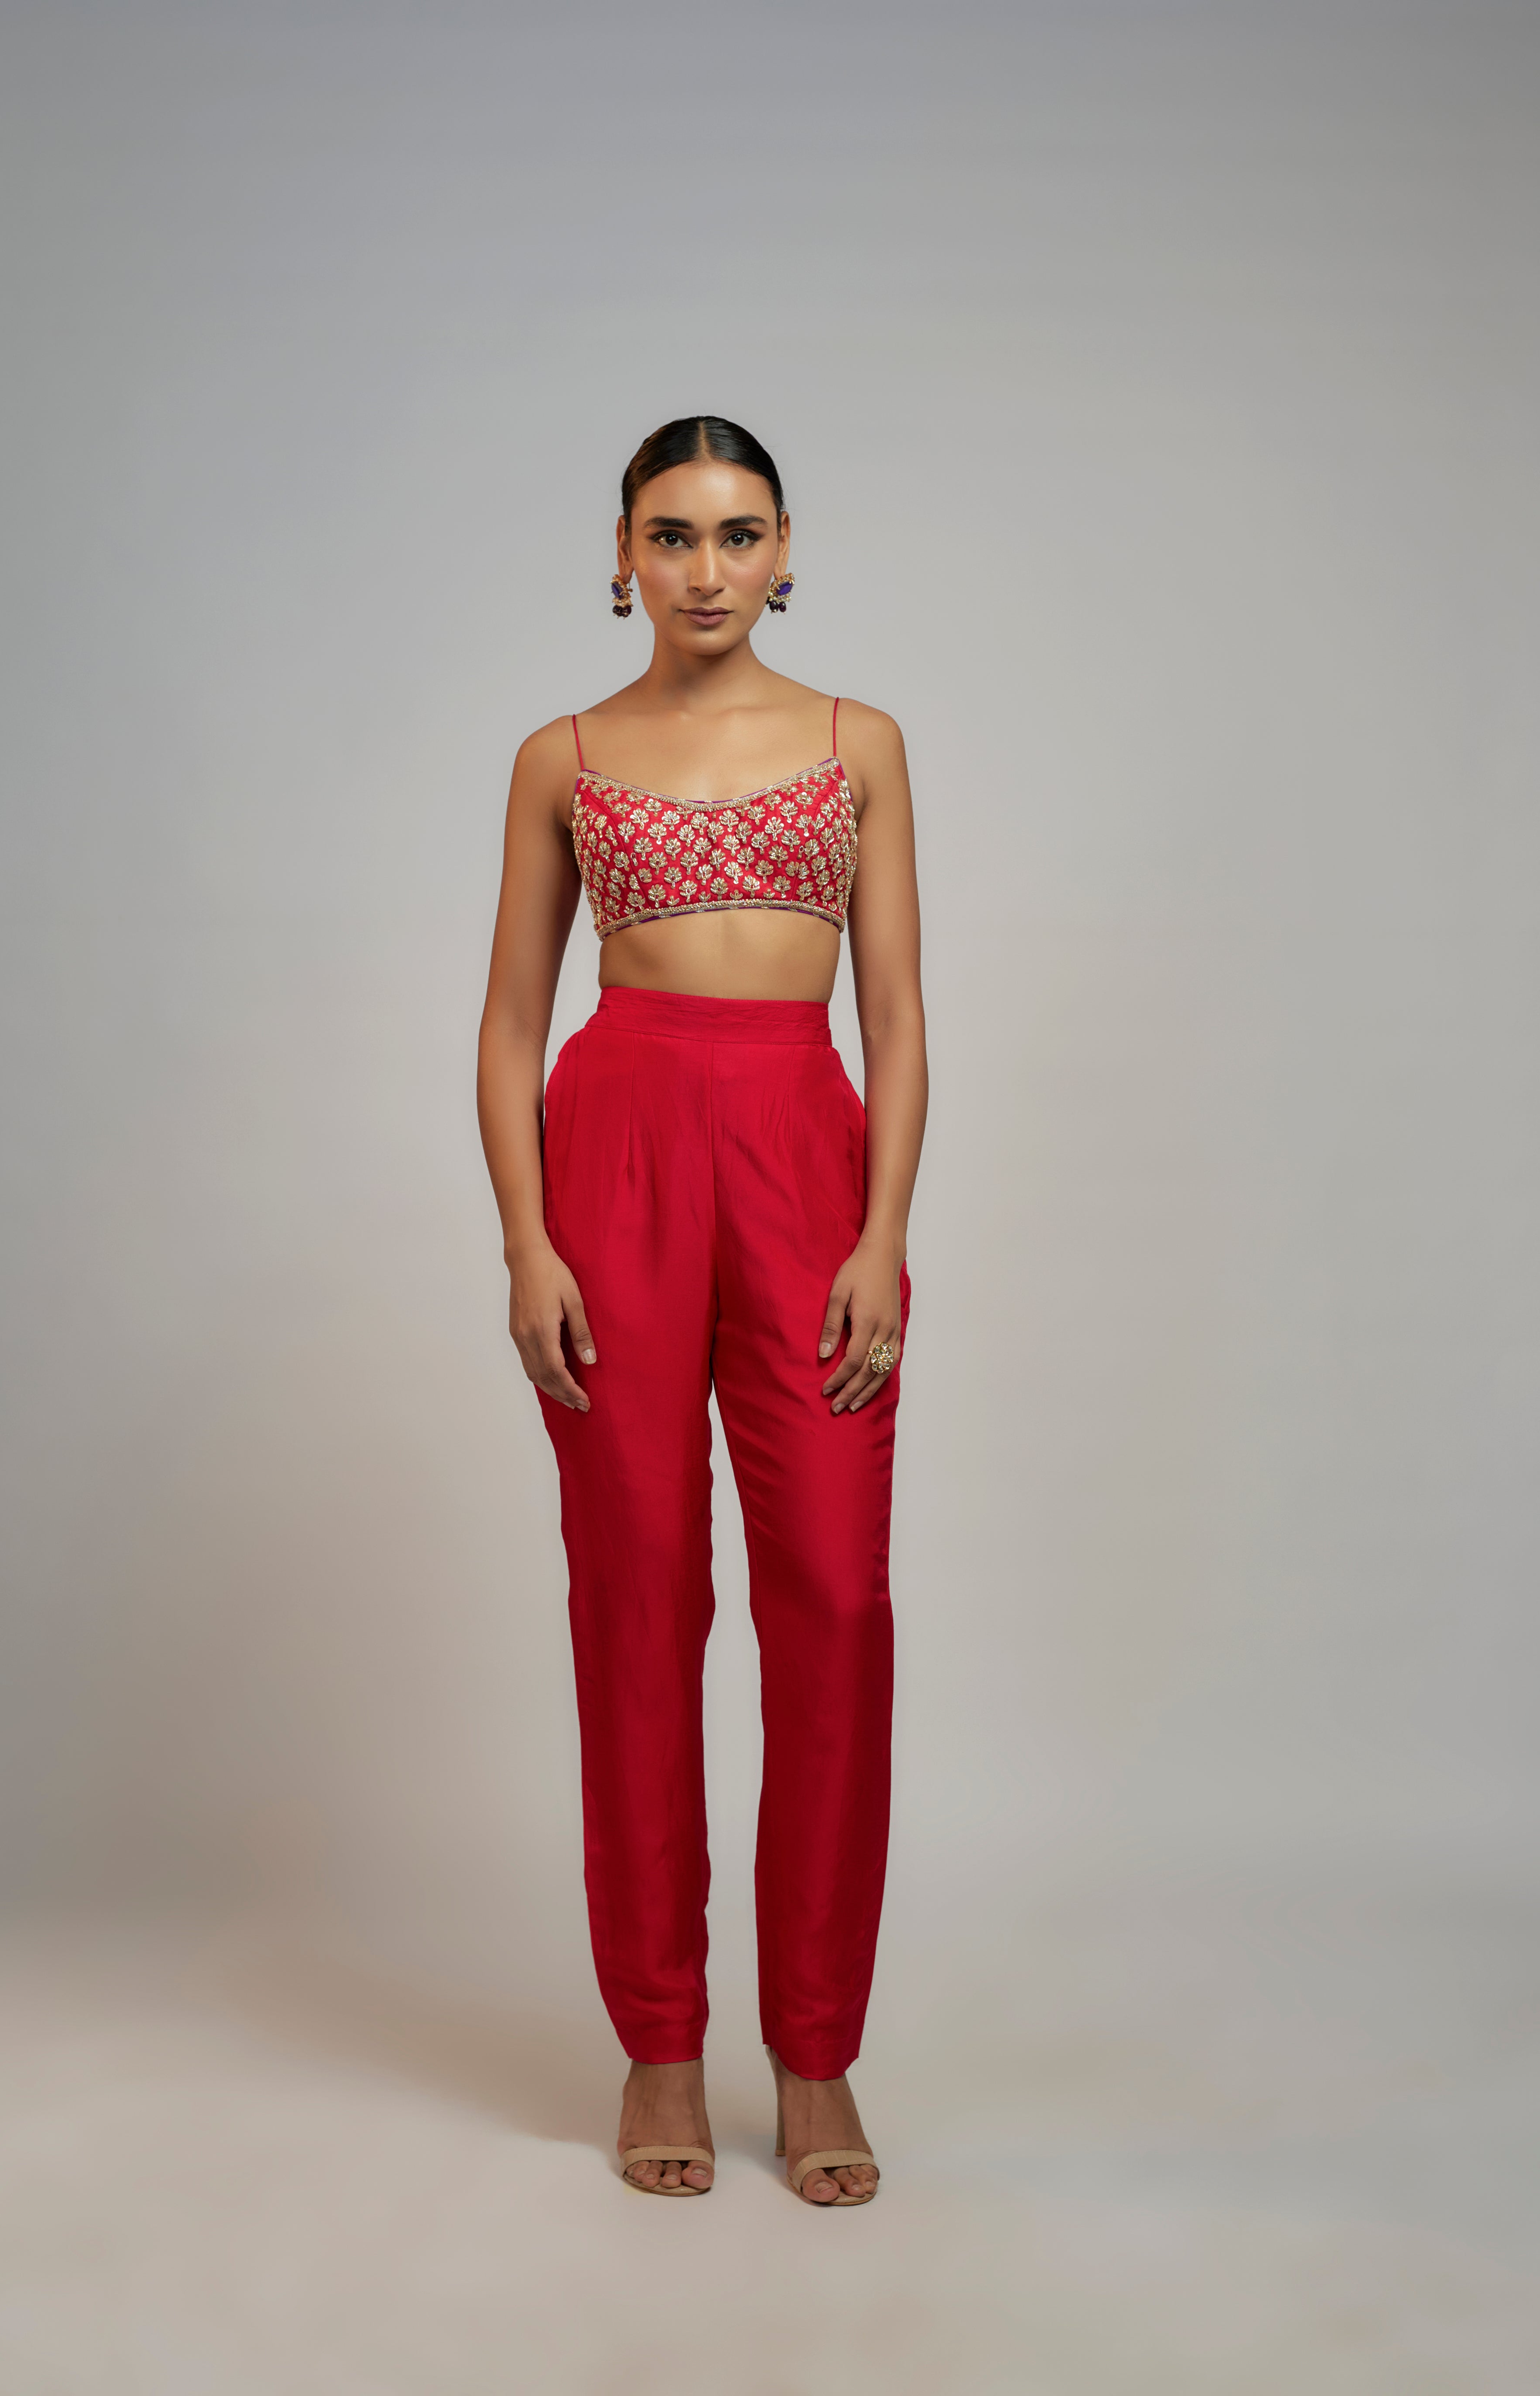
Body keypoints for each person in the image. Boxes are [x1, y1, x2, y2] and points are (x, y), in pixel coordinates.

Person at [477, 416, 927, 2206]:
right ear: (623, 555)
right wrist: (529, 1241)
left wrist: (884, 1231)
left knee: (835, 1602)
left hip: (805, 1163)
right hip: (620, 1163)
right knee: (638, 1598)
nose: (708, 568)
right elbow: (514, 1019)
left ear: (786, 547)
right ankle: (659, 2041)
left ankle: (816, 2054)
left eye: (739, 535)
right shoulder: (563, 757)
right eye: (673, 535)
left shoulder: (861, 743)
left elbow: (897, 1013)